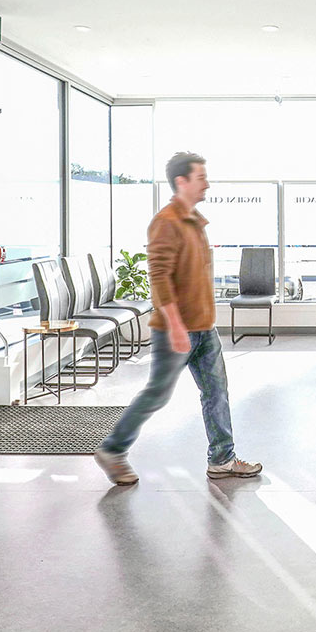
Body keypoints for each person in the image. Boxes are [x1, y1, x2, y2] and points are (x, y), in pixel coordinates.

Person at [94, 152, 263, 485]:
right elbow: (159, 277)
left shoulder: (194, 220)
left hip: (204, 327)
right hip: (178, 329)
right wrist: (174, 325)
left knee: (216, 392)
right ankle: (113, 449)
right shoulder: (166, 222)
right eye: (201, 178)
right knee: (157, 393)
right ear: (181, 181)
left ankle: (222, 459)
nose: (207, 184)